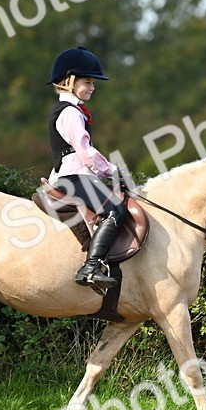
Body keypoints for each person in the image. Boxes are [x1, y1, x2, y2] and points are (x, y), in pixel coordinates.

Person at [46, 46, 128, 289]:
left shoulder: (68, 110)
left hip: (71, 175)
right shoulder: (70, 113)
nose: (93, 87)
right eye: (87, 81)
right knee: (116, 211)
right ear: (70, 81)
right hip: (73, 177)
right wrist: (111, 171)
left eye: (93, 82)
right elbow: (85, 152)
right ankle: (91, 267)